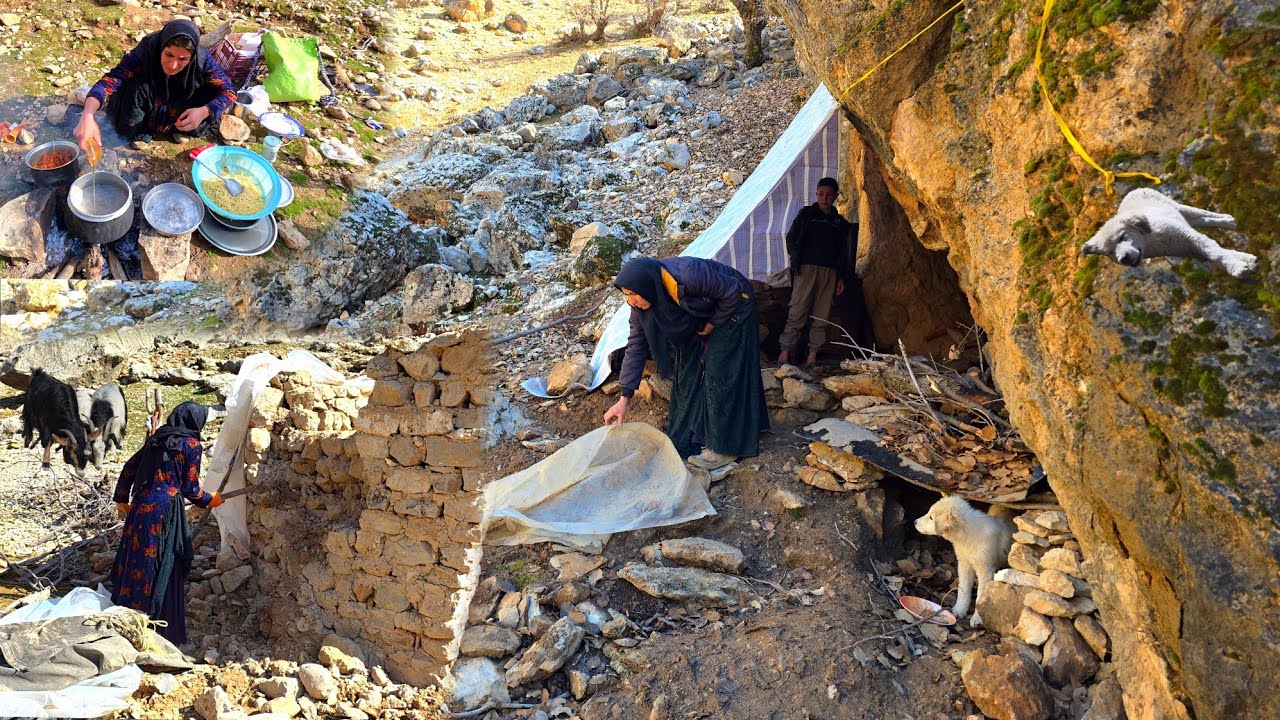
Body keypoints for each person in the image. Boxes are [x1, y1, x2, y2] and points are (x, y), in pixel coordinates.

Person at [603, 256, 769, 469]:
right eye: (626, 296)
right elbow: (636, 345)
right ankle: (687, 436)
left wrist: (711, 324)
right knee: (687, 370)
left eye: (633, 294)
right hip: (702, 311)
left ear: (645, 285)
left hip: (735, 303)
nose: (631, 301)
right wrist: (623, 398)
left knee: (721, 370)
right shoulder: (641, 305)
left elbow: (731, 291)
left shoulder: (689, 275)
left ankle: (724, 447)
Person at [111, 402, 223, 646]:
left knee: (137, 559)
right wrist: (210, 500)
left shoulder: (156, 439)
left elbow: (129, 467)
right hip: (165, 511)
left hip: (140, 507)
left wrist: (122, 500)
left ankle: (126, 615)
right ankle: (158, 624)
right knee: (165, 561)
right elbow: (190, 488)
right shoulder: (191, 445)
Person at [74, 19, 236, 148]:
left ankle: (180, 129)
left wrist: (204, 111)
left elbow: (229, 91)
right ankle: (141, 131)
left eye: (183, 59)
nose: (173, 65)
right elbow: (112, 80)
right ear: (161, 47)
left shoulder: (202, 59)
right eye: (168, 55)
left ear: (192, 56)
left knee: (209, 94)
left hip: (182, 106)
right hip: (150, 101)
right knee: (132, 88)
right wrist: (87, 116)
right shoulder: (147, 49)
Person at [777, 177, 857, 366]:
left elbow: (844, 253)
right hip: (806, 270)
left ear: (836, 197)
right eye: (821, 194)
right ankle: (785, 352)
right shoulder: (806, 215)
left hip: (829, 273)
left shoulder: (839, 223)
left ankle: (812, 355)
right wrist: (796, 261)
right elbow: (792, 238)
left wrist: (841, 277)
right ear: (816, 194)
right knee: (798, 309)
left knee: (822, 313)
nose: (824, 198)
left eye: (829, 195)